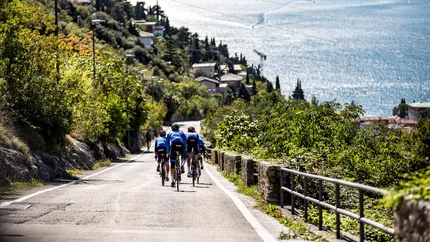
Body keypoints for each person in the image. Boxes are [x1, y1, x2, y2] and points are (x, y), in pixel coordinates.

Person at [166, 123, 187, 187]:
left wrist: (168, 152)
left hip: (174, 146)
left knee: (172, 163)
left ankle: (172, 181)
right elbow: (185, 141)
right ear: (178, 128)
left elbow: (167, 143)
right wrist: (185, 149)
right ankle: (182, 165)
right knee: (185, 157)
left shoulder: (169, 133)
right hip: (181, 145)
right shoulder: (181, 132)